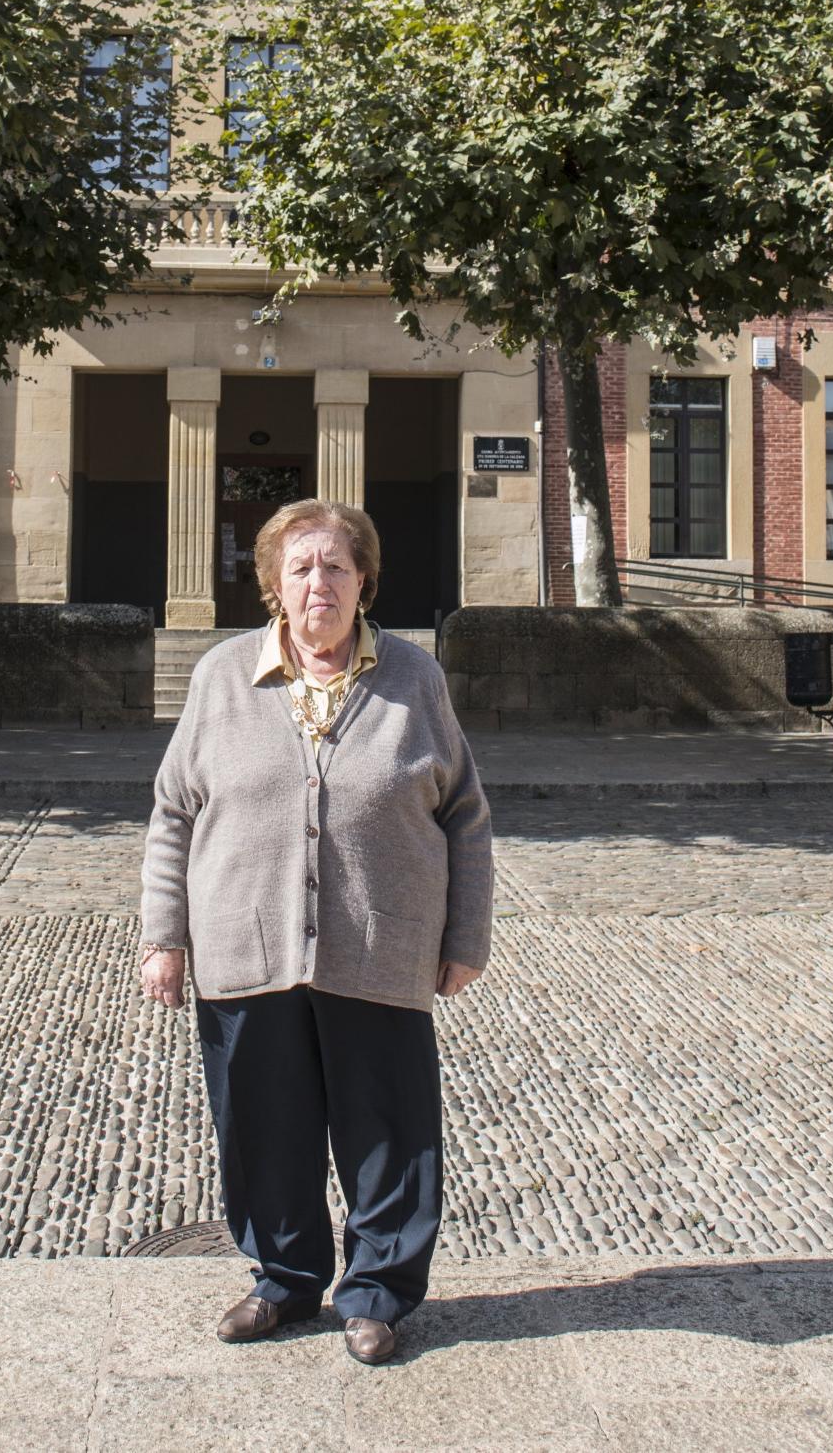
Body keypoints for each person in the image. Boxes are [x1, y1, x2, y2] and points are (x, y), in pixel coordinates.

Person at [140, 498, 493, 1364]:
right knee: (263, 1126)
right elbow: (173, 813)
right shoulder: (221, 677)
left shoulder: (415, 678)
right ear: (272, 586)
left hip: (381, 943)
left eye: (336, 567)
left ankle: (376, 1293)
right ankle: (283, 1281)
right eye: (299, 568)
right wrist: (164, 936)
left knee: (388, 1129)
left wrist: (465, 937)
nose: (318, 584)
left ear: (364, 581)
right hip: (242, 946)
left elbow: (465, 815)